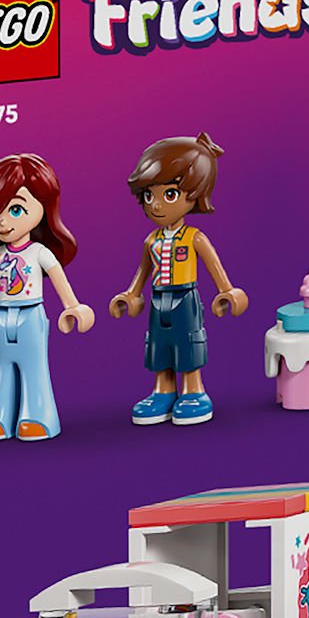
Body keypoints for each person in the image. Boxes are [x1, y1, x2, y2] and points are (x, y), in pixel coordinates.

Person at [109, 134, 247, 426]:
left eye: (169, 194)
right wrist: (131, 295)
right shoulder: (151, 241)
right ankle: (163, 391)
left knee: (189, 342)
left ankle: (194, 390)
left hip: (185, 298)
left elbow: (215, 268)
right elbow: (142, 273)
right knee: (158, 345)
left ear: (194, 194)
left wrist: (227, 291)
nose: (156, 205)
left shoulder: (194, 237)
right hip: (158, 299)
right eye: (149, 195)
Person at [0, 154, 94, 441]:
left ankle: (38, 414)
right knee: (2, 367)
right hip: (3, 318)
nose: (3, 222)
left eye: (15, 209)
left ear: (42, 207)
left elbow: (60, 281)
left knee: (34, 367)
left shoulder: (40, 253)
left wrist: (73, 307)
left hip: (31, 316)